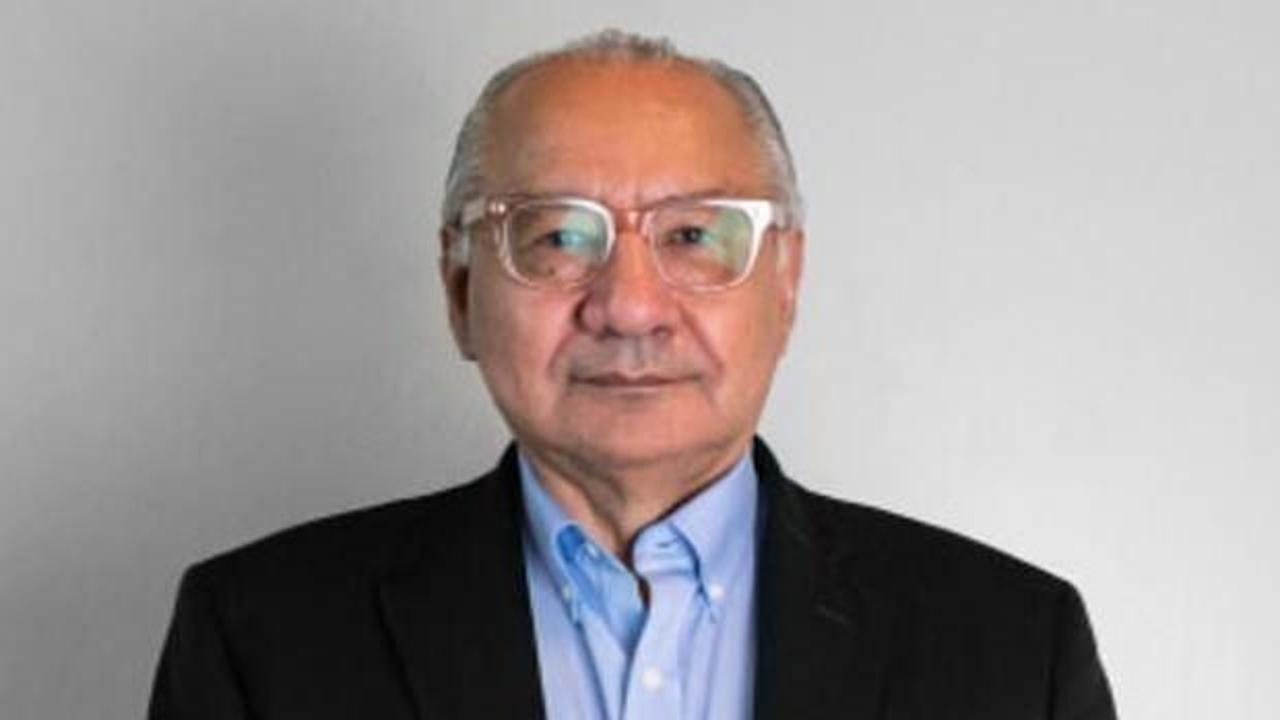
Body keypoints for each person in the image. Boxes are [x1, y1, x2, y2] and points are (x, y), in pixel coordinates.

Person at [149, 30, 1117, 719]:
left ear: (785, 284)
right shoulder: (262, 638)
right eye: (557, 238)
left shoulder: (1011, 650)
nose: (629, 305)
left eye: (693, 236)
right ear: (460, 290)